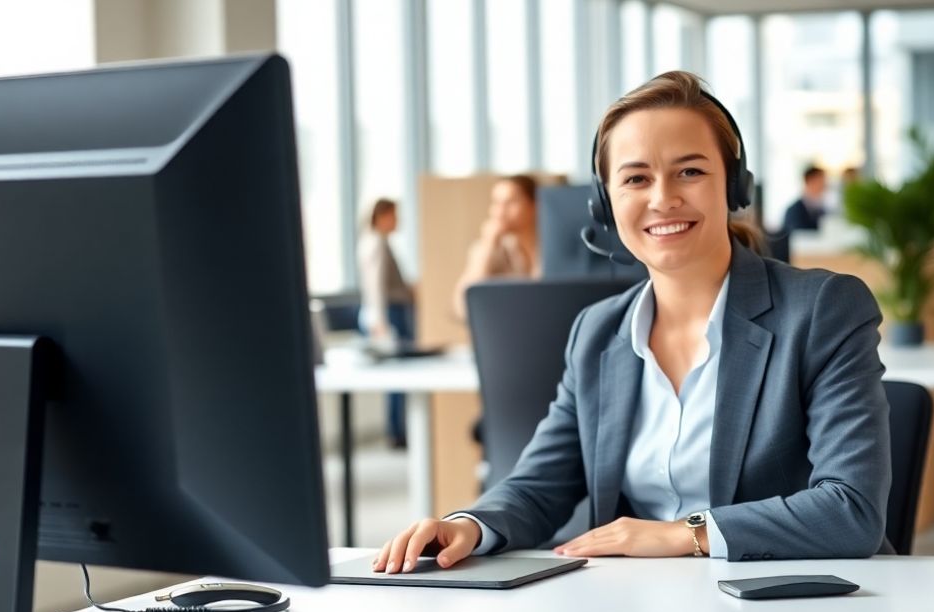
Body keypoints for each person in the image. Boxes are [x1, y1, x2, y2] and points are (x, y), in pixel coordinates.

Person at [373, 71, 890, 572]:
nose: (662, 198)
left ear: (733, 187)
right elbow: (539, 486)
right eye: (636, 178)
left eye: (690, 171)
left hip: (791, 609)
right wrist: (469, 526)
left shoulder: (822, 308)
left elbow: (851, 509)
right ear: (605, 204)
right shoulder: (597, 333)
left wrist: (683, 534)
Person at [359, 198, 415, 448]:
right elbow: (376, 286)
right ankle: (396, 433)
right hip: (389, 315)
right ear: (382, 216)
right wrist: (379, 320)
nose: (398, 221)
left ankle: (397, 430)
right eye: (394, 215)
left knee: (397, 377)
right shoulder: (376, 244)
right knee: (397, 377)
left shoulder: (376, 242)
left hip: (391, 312)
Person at [452, 175, 540, 320]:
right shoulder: (488, 249)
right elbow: (462, 307)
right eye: (496, 203)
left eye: (511, 202)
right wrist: (488, 244)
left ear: (534, 205)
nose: (500, 211)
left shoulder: (550, 248)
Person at [782, 165, 826, 233]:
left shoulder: (821, 208)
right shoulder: (793, 210)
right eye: (821, 181)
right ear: (809, 181)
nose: (824, 185)